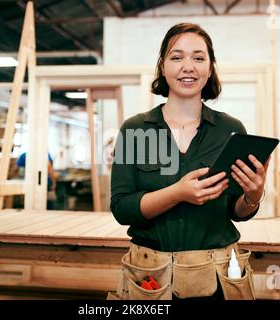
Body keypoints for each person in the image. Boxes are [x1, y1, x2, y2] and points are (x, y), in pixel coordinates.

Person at [109, 23, 270, 300]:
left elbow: (235, 210)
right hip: (149, 276)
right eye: (177, 57)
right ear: (162, 66)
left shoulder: (231, 130)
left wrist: (253, 196)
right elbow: (122, 209)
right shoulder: (135, 129)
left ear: (210, 68)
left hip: (217, 276)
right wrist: (178, 193)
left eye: (198, 57)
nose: (188, 66)